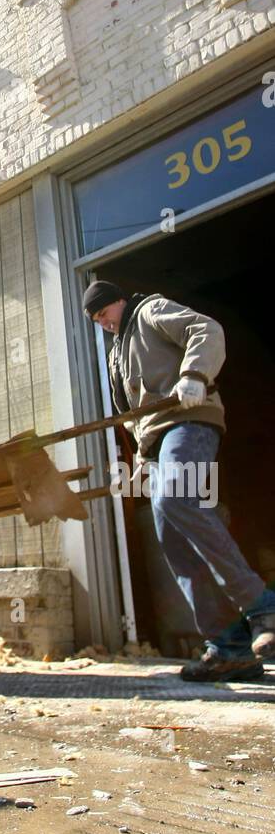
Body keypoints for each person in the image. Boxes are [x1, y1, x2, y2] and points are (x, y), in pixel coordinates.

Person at [83, 279, 275, 682]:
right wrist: (139, 461)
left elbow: (206, 329)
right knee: (171, 538)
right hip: (156, 442)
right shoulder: (118, 353)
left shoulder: (149, 311)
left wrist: (194, 374)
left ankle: (262, 606)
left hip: (189, 421)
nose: (103, 324)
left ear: (119, 301)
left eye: (104, 313)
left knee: (175, 500)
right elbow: (137, 416)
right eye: (96, 321)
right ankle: (230, 648)